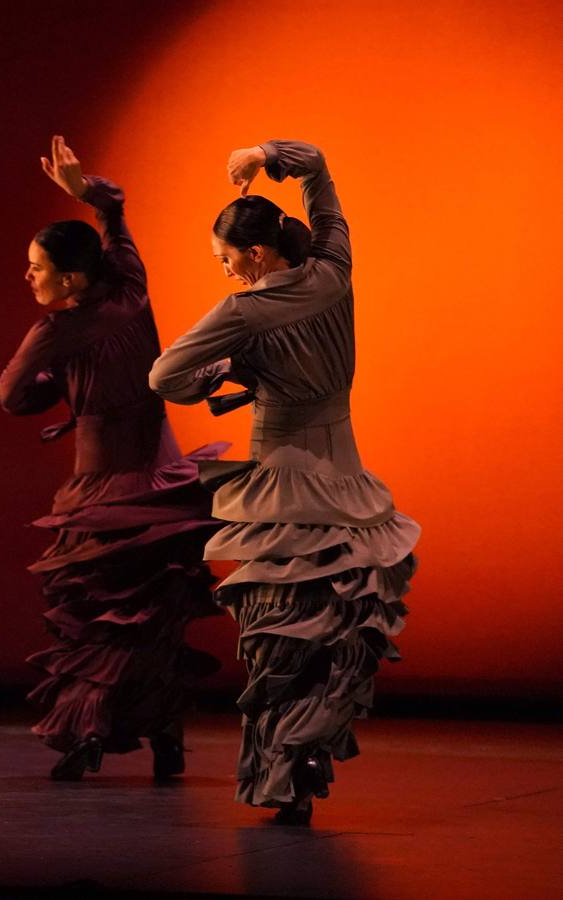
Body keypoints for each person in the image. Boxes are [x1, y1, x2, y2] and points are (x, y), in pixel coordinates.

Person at [149, 140, 418, 825]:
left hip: (283, 487)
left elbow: (164, 377)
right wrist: (268, 154)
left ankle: (282, 774)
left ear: (256, 256)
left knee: (278, 634)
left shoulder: (242, 312)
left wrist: (226, 376)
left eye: (225, 258)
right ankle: (301, 763)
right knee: (336, 630)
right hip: (346, 484)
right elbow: (321, 171)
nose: (225, 269)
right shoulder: (333, 270)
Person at [0, 136, 225, 782]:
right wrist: (92, 198)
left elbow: (11, 395)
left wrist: (60, 380)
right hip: (162, 480)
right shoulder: (129, 286)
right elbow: (117, 218)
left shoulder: (55, 328)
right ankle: (165, 737)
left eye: (35, 268)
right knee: (152, 616)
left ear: (69, 279)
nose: (28, 276)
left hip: (104, 490)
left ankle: (90, 733)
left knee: (100, 617)